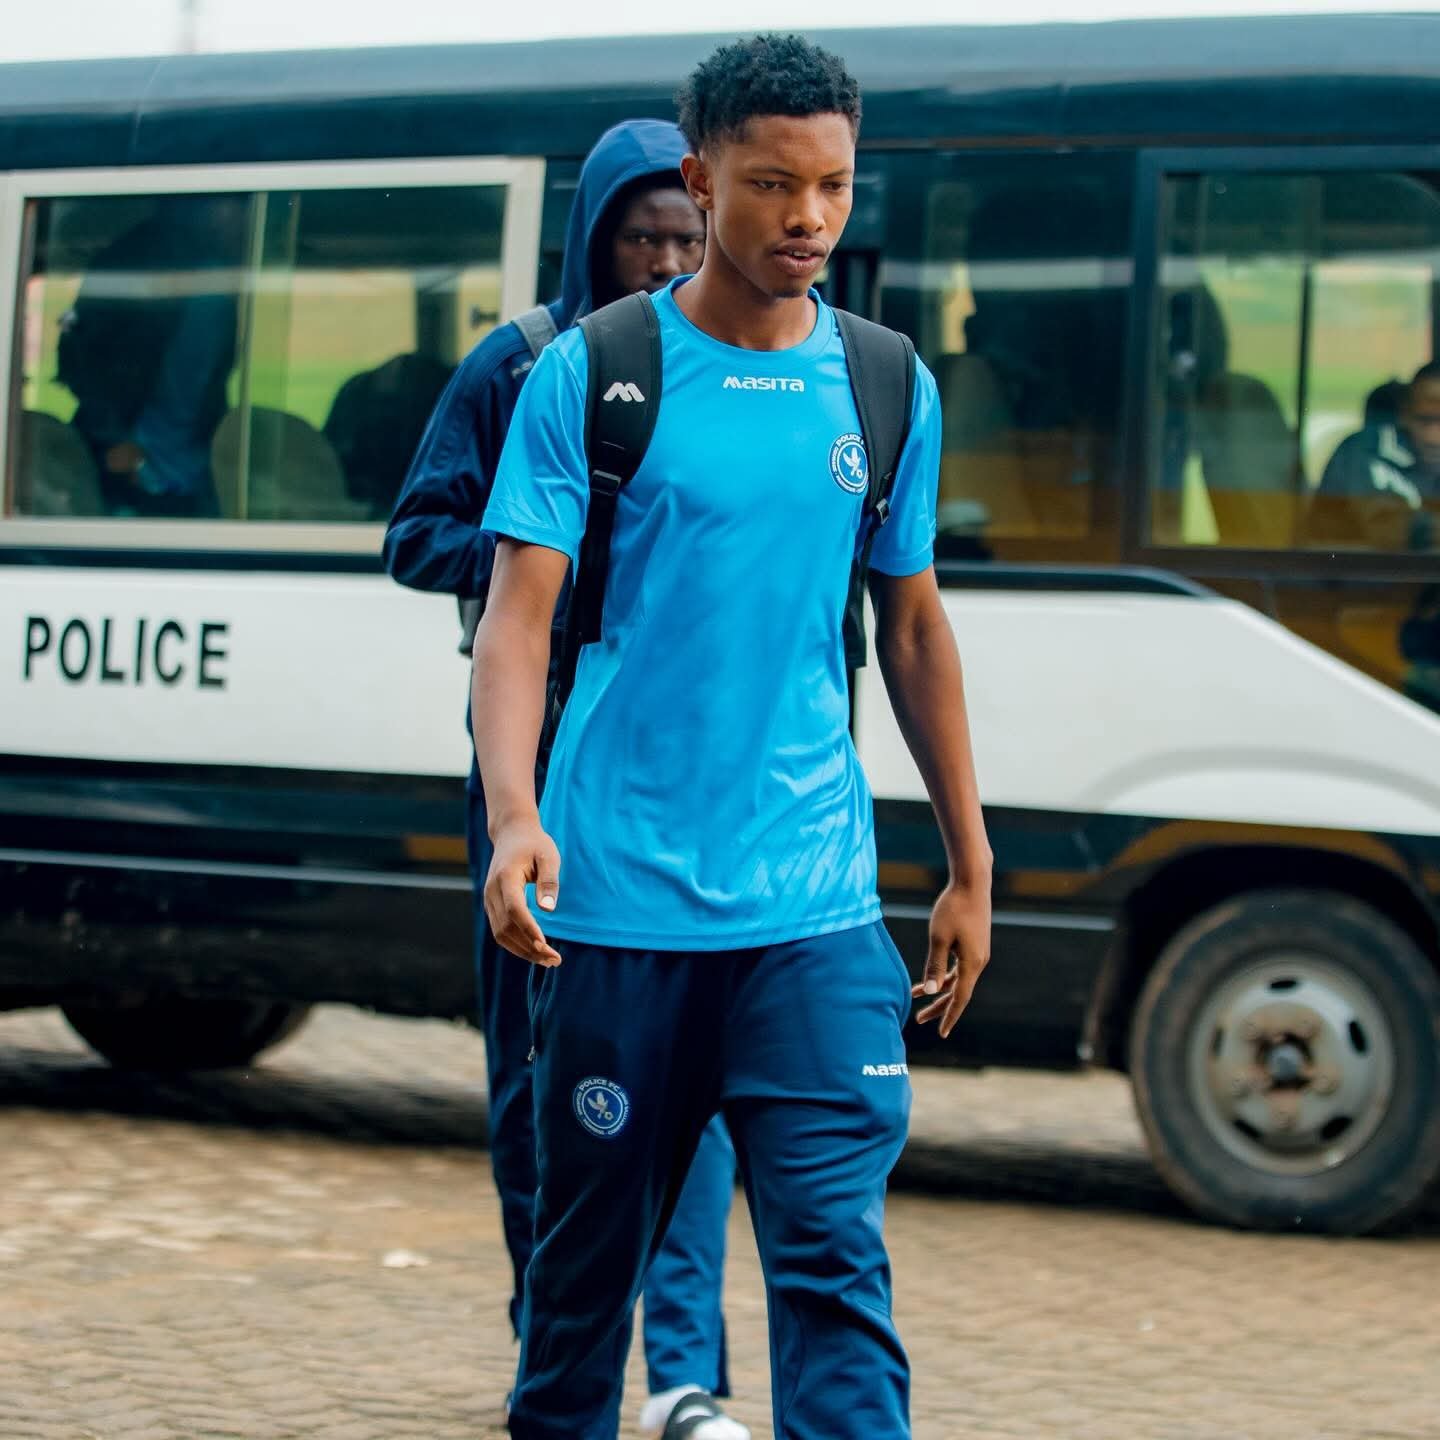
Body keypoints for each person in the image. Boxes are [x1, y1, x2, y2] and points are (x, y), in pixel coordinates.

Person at [473, 35, 992, 1440]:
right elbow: (517, 622)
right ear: (702, 183)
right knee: (584, 1294)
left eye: (833, 185)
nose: (809, 217)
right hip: (618, 911)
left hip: (812, 911)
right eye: (772, 184)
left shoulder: (887, 385)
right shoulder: (596, 375)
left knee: (834, 1271)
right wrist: (516, 818)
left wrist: (969, 859)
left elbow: (913, 629)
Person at [382, 121, 746, 1440]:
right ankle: (553, 1349)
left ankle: (686, 1375)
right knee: (543, 1083)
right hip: (533, 781)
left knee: (699, 1079)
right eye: (641, 237)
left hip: (682, 779)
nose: (665, 261)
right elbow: (414, 535)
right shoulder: (521, 365)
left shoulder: (734, 368)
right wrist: (533, 560)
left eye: (686, 238)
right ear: (593, 235)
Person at [62, 194, 245, 518]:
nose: (242, 218)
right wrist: (113, 439)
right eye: (235, 205)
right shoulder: (132, 259)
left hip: (198, 474)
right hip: (129, 475)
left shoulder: (229, 276)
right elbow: (77, 355)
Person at [1311, 361, 1440, 551]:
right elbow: (1386, 530)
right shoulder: (1363, 453)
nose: (1434, 437)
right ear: (1405, 414)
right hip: (1357, 567)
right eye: (1424, 420)